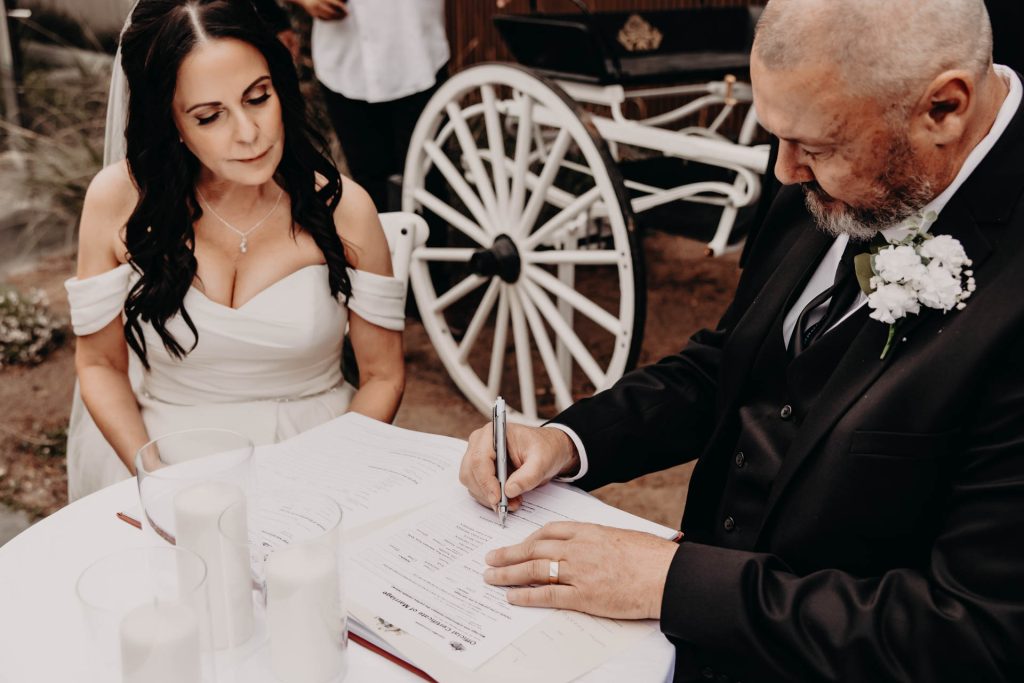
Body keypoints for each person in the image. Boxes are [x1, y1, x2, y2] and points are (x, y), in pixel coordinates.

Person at [460, 0, 1024, 680]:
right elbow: (733, 363)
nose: (784, 170)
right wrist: (569, 439)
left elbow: (973, 630)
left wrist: (673, 583)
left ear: (944, 109)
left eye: (815, 147)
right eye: (777, 137)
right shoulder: (816, 151)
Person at [63, 0, 405, 501]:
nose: (248, 134)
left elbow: (382, 374)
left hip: (322, 460)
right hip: (165, 461)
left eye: (258, 97)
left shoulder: (344, 208)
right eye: (209, 117)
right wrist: (155, 475)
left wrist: (326, 480)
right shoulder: (117, 201)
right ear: (171, 123)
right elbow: (99, 366)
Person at [287, 0, 448, 212]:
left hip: (416, 54)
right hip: (345, 62)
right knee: (370, 189)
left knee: (429, 186)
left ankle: (432, 243)